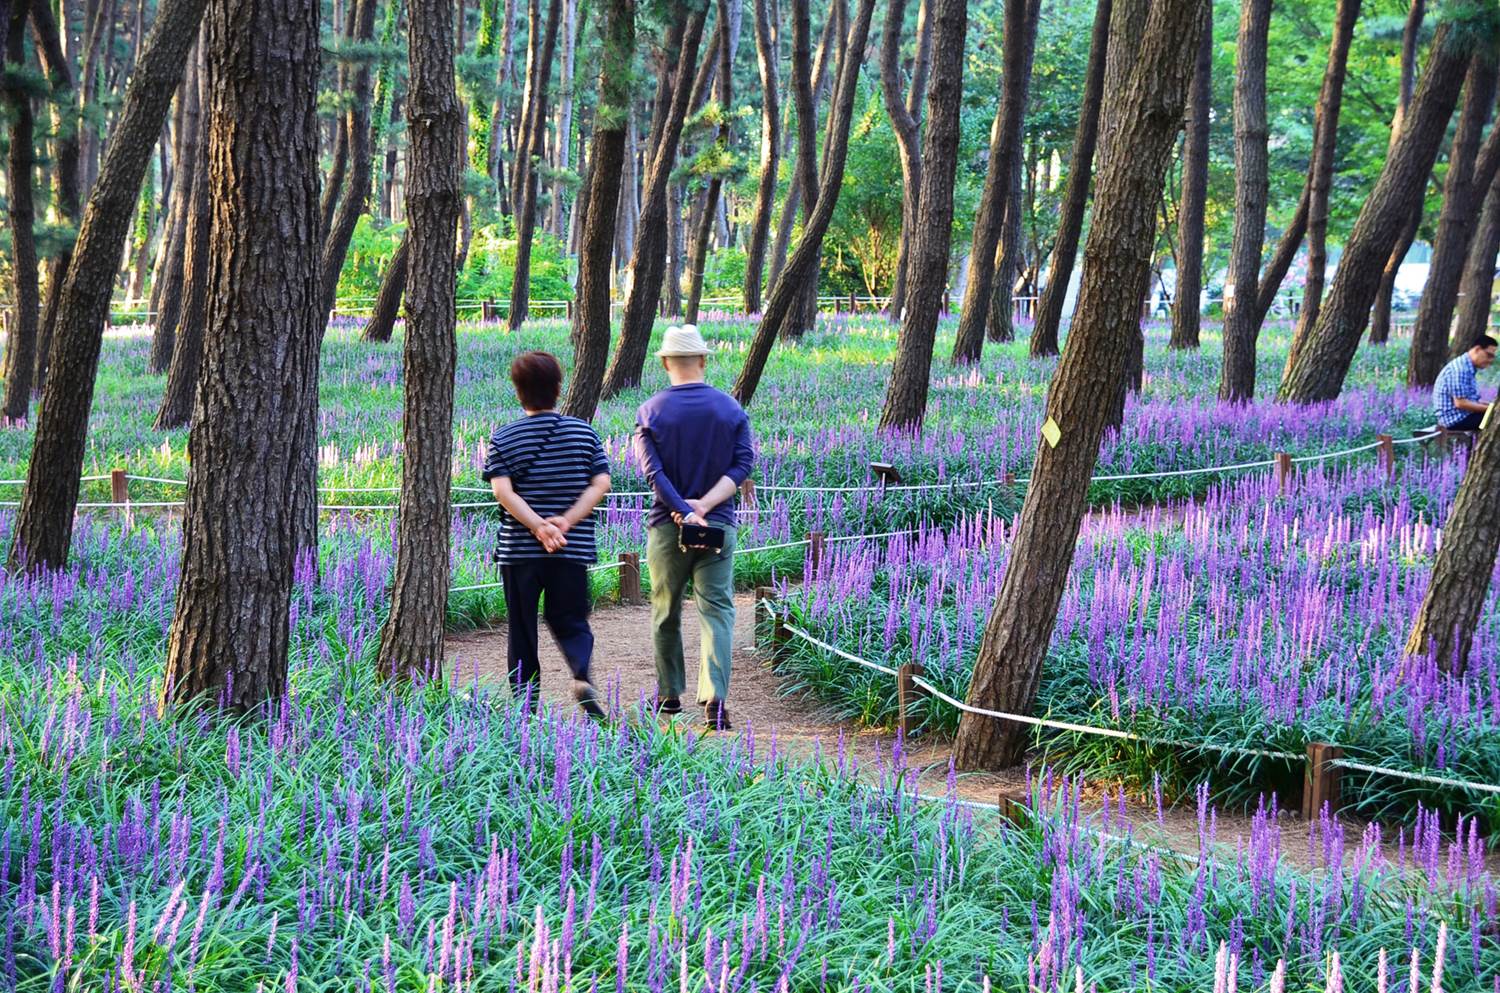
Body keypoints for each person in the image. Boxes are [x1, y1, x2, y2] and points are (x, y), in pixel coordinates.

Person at [633, 325, 756, 731]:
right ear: (703, 361)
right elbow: (741, 466)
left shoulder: (651, 411)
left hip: (667, 527)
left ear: (666, 363)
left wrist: (684, 510)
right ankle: (715, 700)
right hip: (718, 524)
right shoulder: (731, 409)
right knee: (718, 610)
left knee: (665, 609)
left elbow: (654, 474)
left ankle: (669, 694)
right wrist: (704, 505)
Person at [483, 351, 612, 719]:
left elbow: (502, 492)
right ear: (558, 388)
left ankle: (526, 707)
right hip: (571, 548)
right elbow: (601, 482)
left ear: (517, 390)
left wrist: (537, 527)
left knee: (522, 626)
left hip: (519, 550)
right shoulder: (583, 432)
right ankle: (581, 673)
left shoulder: (504, 437)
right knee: (571, 619)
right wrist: (565, 522)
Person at [1433, 335, 1498, 431]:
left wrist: (1491, 407)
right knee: (1496, 419)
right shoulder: (1460, 369)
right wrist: (1492, 409)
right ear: (1477, 349)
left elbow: (1469, 400)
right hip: (1455, 420)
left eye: (1492, 357)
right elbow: (1460, 403)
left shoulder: (1467, 367)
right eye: (1489, 355)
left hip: (1462, 416)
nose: (1490, 360)